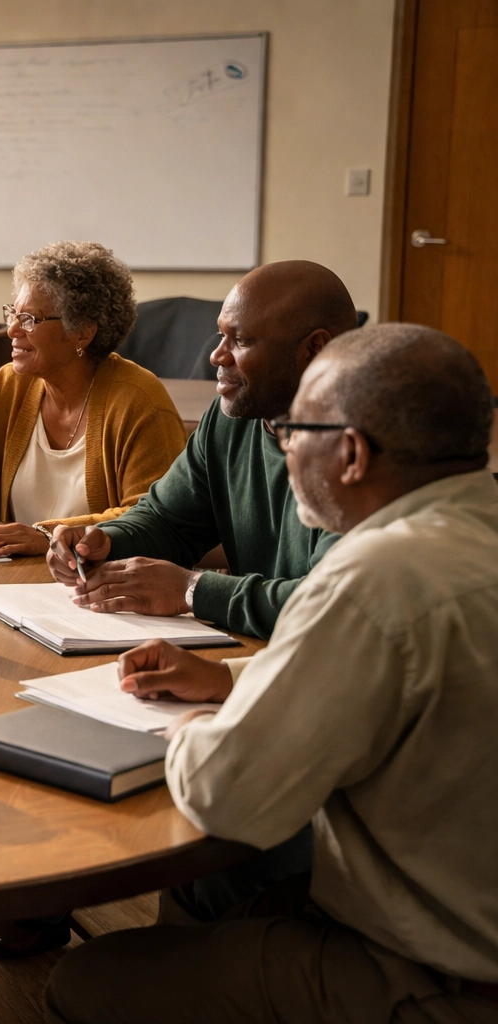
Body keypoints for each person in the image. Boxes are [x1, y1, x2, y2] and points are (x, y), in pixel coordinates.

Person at [45, 324, 498, 1024]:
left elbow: (227, 796)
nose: (281, 450)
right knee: (207, 897)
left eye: (292, 432)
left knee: (85, 983)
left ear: (350, 453)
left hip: (434, 973)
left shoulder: (373, 578)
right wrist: (230, 679)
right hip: (461, 902)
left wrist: (199, 725)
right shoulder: (470, 531)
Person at [46, 260, 358, 640]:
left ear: (315, 348)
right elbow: (169, 520)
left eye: (240, 341)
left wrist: (191, 589)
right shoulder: (233, 418)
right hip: (254, 654)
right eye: (220, 336)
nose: (216, 357)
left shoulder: (363, 453)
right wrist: (105, 540)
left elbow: (329, 607)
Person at [0, 241, 188, 556]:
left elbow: (152, 521)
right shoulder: (8, 386)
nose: (12, 330)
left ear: (82, 332)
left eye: (30, 319)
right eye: (12, 314)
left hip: (98, 588)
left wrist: (44, 536)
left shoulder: (140, 403)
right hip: (12, 583)